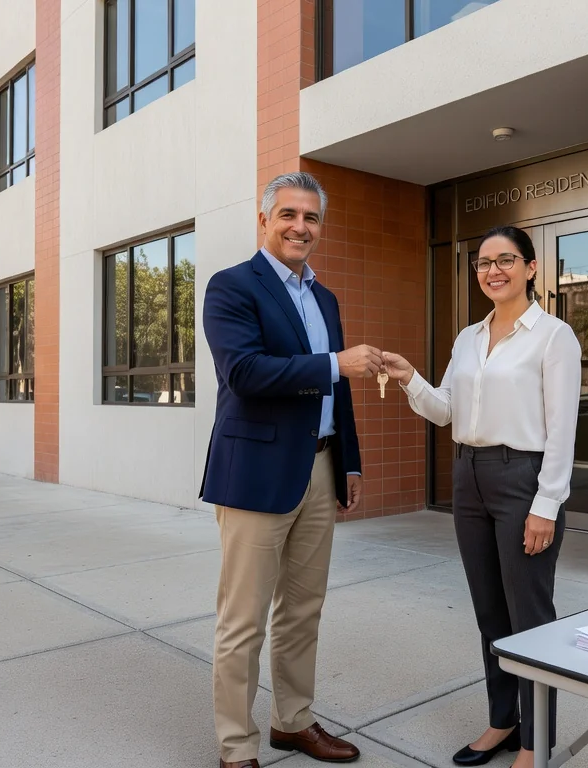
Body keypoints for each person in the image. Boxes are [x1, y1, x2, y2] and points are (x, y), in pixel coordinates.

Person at [380, 225, 581, 767]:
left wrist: (546, 505)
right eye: (484, 262)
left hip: (524, 479)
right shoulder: (468, 337)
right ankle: (503, 721)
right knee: (490, 611)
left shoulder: (553, 336)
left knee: (530, 616)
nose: (493, 270)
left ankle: (536, 745)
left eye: (506, 260)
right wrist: (408, 378)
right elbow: (446, 409)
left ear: (531, 268)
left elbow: (563, 429)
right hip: (468, 477)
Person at [201, 171, 382, 768]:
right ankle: (235, 745)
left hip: (322, 466)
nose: (299, 227)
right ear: (264, 220)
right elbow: (245, 374)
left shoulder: (324, 298)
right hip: (255, 472)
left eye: (310, 218)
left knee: (304, 609)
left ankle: (293, 721)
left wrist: (349, 461)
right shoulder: (232, 287)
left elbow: (341, 389)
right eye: (287, 215)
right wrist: (334, 362)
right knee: (243, 620)